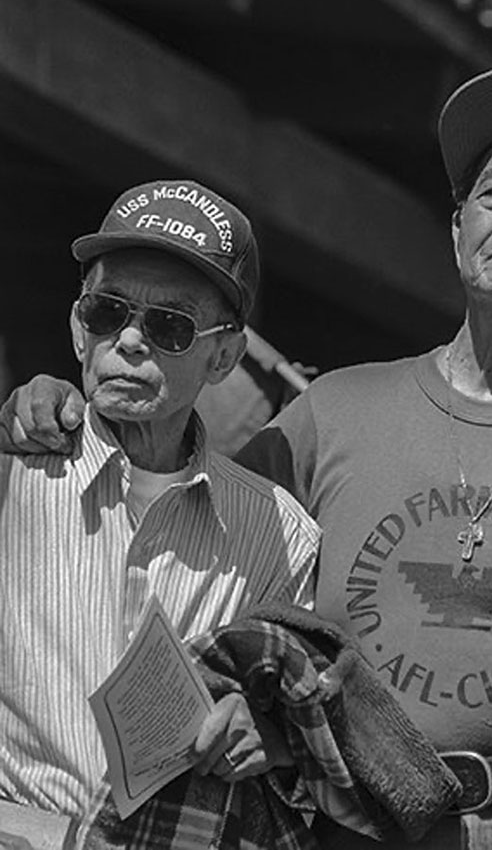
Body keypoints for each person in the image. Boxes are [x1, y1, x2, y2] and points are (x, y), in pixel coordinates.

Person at [1, 64, 492, 848]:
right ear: (458, 231)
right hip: (344, 829)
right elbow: (180, 529)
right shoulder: (333, 412)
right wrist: (57, 414)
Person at [0, 180, 320, 829]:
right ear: (77, 329)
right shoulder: (11, 477)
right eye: (107, 312)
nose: (131, 340)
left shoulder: (281, 531)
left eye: (170, 325)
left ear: (225, 354)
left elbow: (295, 734)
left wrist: (269, 733)